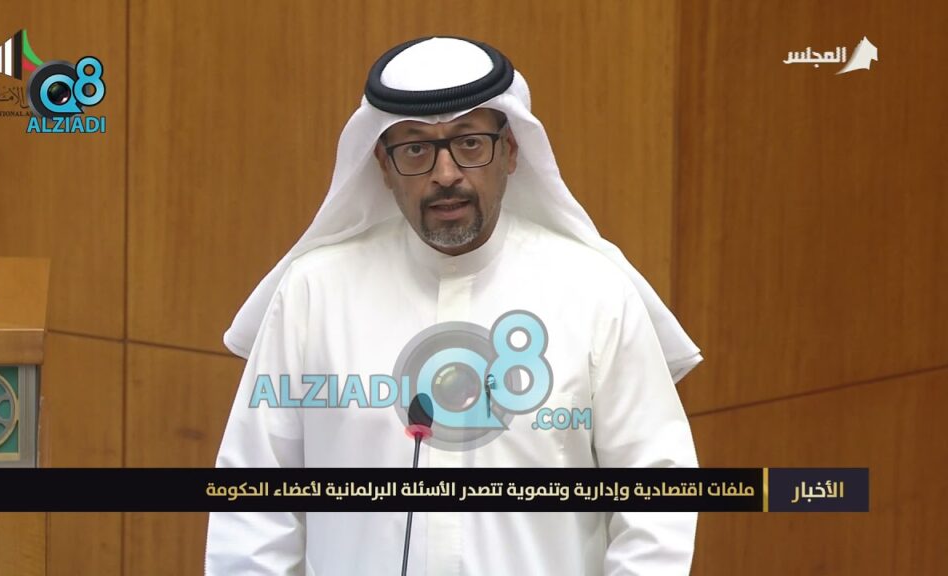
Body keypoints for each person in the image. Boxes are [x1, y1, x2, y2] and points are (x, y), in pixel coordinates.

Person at [205, 36, 703, 575]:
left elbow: (657, 497)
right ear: (383, 165)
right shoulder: (315, 293)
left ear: (510, 151)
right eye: (416, 149)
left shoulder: (593, 292)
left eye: (469, 143)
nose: (445, 174)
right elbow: (254, 506)